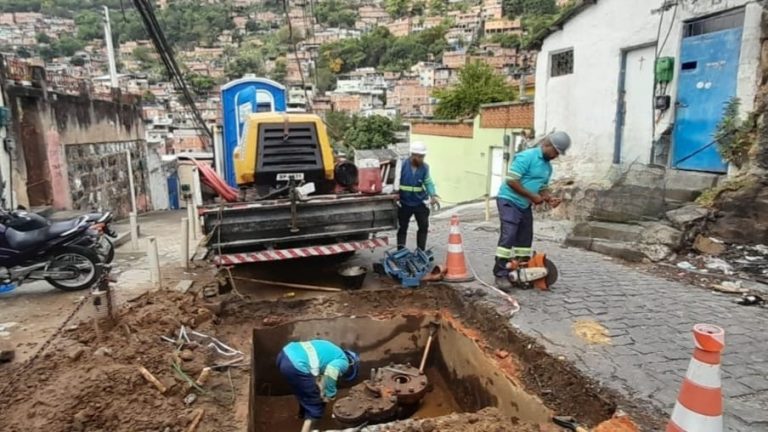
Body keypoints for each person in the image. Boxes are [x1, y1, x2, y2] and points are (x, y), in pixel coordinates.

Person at [494, 131, 571, 289]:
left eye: (559, 153)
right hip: (508, 200)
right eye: (555, 151)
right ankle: (500, 274)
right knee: (509, 235)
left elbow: (542, 187)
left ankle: (522, 273)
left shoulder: (548, 168)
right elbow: (511, 181)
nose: (556, 155)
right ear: (547, 144)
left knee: (525, 239)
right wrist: (532, 196)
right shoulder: (526, 157)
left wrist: (548, 198)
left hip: (524, 204)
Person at [276, 339, 361, 432]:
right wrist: (330, 394)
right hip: (296, 365)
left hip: (285, 353)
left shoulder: (333, 350)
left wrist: (320, 387)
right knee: (315, 405)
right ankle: (308, 427)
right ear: (351, 366)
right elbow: (331, 372)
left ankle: (302, 415)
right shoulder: (344, 362)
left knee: (303, 392)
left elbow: (319, 373)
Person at [397, 141, 438, 251]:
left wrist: (433, 195)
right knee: (402, 227)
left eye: (422, 156)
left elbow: (428, 182)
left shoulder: (425, 167)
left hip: (419, 202)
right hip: (404, 202)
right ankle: (400, 251)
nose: (421, 159)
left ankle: (421, 250)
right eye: (419, 156)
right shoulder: (401, 165)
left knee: (423, 227)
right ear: (413, 155)